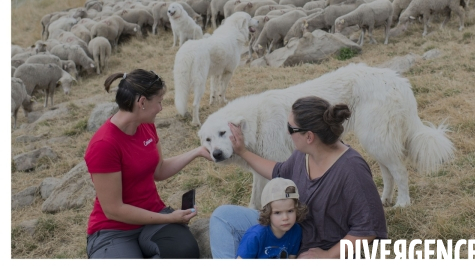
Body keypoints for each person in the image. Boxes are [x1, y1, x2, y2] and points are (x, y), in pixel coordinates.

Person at [210, 95, 388, 259]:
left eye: (290, 128)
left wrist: (327, 255)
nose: (287, 133)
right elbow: (279, 172)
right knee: (222, 216)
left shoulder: (352, 169)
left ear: (309, 136)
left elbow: (368, 228)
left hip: (316, 250)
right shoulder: (304, 154)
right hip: (287, 228)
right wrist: (242, 152)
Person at [84, 69, 213, 259]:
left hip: (152, 217)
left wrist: (198, 152)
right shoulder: (104, 145)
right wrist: (169, 218)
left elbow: (159, 170)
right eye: (159, 102)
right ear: (142, 102)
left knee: (185, 253)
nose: (161, 108)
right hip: (114, 229)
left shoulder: (146, 125)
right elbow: (114, 210)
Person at [236, 177, 307, 259]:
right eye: (277, 213)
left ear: (297, 209)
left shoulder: (296, 231)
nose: (285, 218)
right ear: (268, 213)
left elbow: (291, 257)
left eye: (290, 211)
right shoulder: (255, 236)